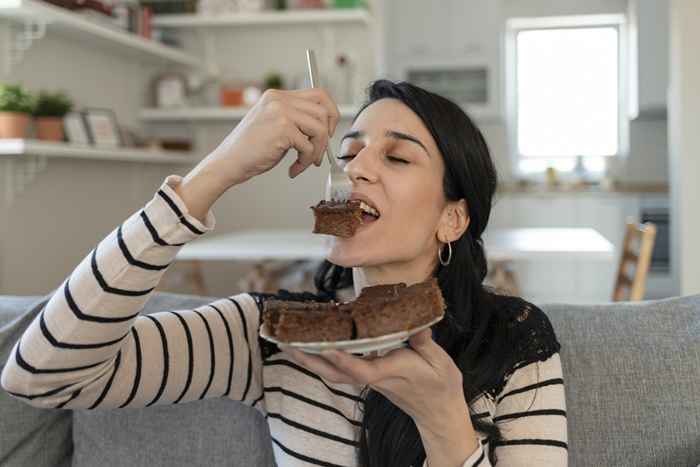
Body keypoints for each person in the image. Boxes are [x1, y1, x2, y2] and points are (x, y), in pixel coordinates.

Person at [1, 80, 567, 467]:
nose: (356, 168)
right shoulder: (270, 335)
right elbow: (41, 376)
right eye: (349, 153)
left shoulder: (514, 339)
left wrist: (444, 420)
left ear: (453, 216)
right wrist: (216, 170)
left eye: (396, 157)